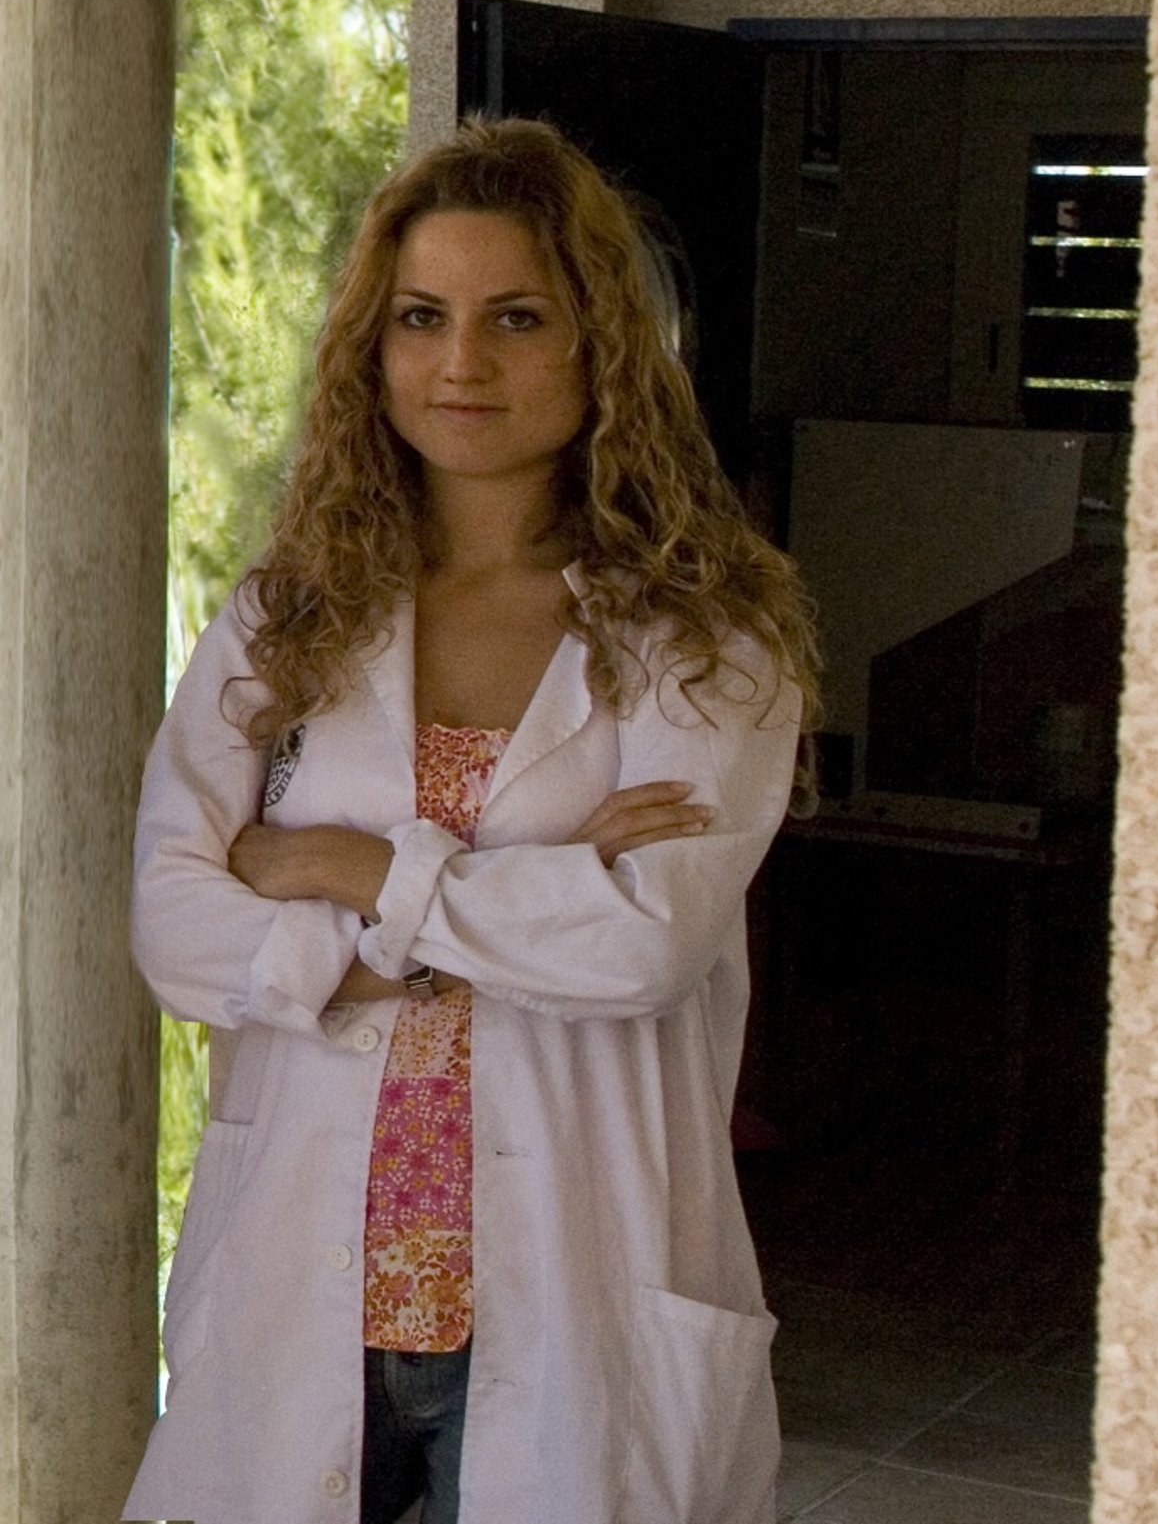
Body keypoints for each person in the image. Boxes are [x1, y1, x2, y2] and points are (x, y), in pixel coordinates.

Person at [122, 115, 819, 1524]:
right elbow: (177, 928)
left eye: (517, 317)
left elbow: (642, 948)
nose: (462, 364)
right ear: (373, 349)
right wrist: (525, 891)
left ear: (597, 342)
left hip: (569, 1292)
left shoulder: (705, 637)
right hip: (308, 1283)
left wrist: (344, 866)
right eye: (421, 317)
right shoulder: (284, 618)